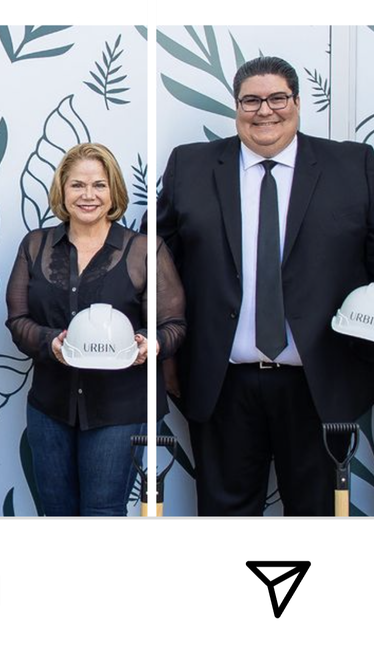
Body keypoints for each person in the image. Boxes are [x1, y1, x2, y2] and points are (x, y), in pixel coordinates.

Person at [158, 56, 374, 516]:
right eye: (251, 100)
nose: (265, 111)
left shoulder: (354, 166)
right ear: (236, 106)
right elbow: (156, 264)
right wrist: (166, 355)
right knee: (224, 520)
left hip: (322, 384)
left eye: (278, 98)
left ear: (297, 102)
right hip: (222, 384)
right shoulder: (190, 167)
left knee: (316, 521)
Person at [6, 143, 185, 516]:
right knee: (55, 513)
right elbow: (18, 320)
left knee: (103, 514)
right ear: (62, 190)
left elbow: (173, 325)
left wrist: (149, 346)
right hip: (50, 407)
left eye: (99, 185)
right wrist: (50, 342)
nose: (88, 195)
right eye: (77, 185)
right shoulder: (35, 246)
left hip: (120, 408)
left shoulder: (144, 250)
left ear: (113, 191)